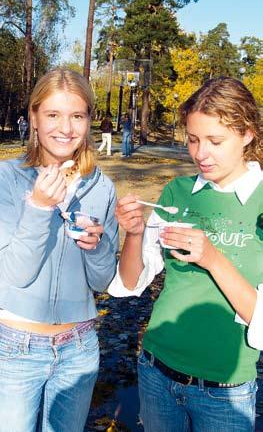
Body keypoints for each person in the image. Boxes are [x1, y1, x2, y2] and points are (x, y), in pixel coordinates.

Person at [108, 76, 263, 431]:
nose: (200, 154)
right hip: (156, 371)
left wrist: (212, 257)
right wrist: (133, 234)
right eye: (193, 140)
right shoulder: (177, 192)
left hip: (225, 390)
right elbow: (132, 282)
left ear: (248, 134)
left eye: (215, 141)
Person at [0, 68, 118, 431]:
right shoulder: (6, 179)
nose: (66, 128)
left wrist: (98, 247)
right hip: (14, 348)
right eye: (53, 114)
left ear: (88, 121)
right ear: (33, 117)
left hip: (79, 350)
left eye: (77, 116)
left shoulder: (102, 187)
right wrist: (37, 208)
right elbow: (13, 274)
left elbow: (102, 283)